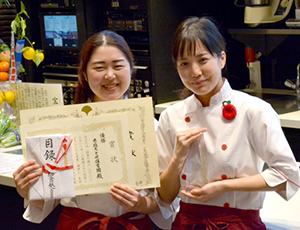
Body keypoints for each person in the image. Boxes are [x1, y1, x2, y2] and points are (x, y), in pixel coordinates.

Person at [13, 30, 178, 230]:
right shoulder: (62, 125)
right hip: (79, 225)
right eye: (99, 67)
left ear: (131, 69)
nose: (110, 75)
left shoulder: (149, 126)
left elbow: (165, 202)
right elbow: (47, 197)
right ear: (84, 74)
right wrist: (26, 187)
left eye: (118, 66)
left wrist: (141, 204)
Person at [156, 16, 300, 229]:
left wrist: (224, 187)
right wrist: (177, 158)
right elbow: (165, 197)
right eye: (184, 64)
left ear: (221, 59)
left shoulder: (253, 110)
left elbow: (288, 175)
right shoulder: (171, 116)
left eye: (203, 60)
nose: (195, 72)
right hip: (186, 224)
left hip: (238, 224)